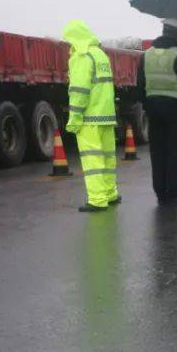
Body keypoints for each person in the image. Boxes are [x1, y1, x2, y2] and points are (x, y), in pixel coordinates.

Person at [63, 20, 120, 212]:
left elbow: (79, 90)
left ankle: (97, 199)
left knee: (93, 160)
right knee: (107, 158)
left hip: (89, 119)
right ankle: (110, 193)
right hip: (106, 115)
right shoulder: (101, 55)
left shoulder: (81, 56)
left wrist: (74, 118)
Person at [143, 19, 177, 206]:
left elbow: (139, 85)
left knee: (157, 153)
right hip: (174, 110)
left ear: (164, 30)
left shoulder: (146, 54)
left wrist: (148, 104)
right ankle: (173, 193)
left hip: (152, 110)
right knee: (174, 153)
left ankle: (160, 194)